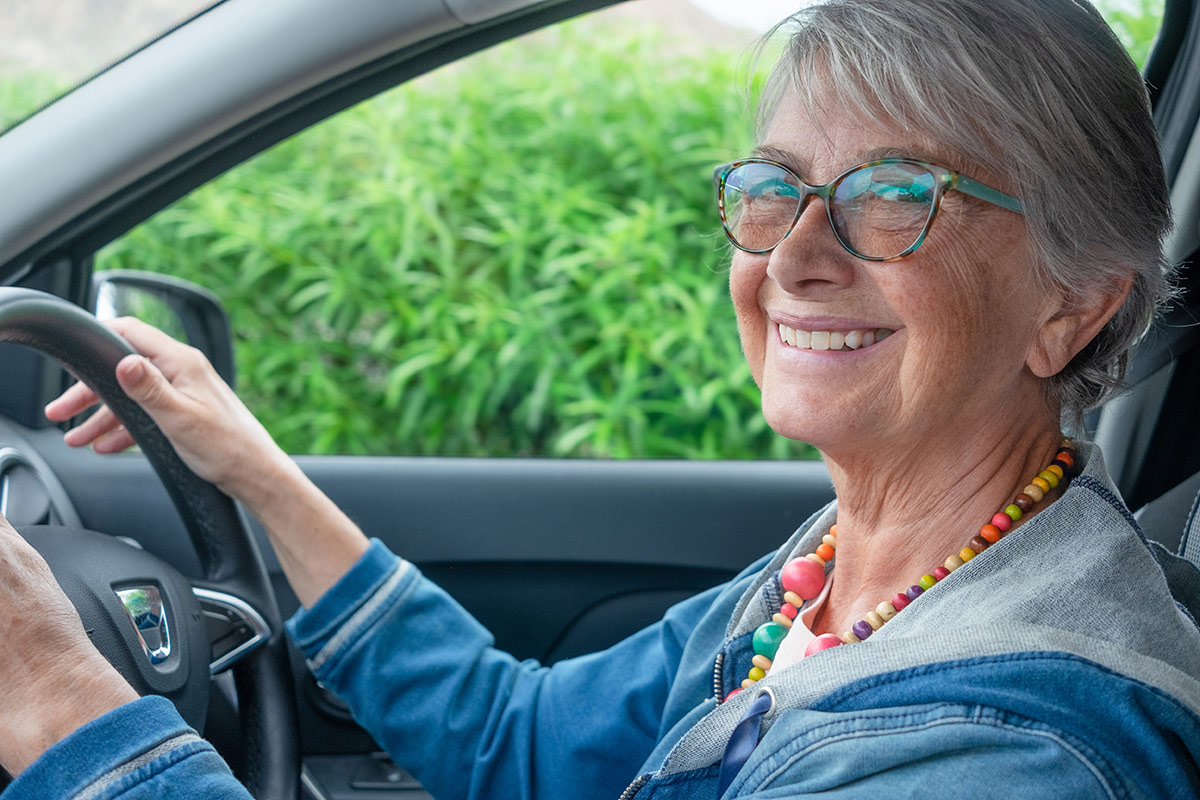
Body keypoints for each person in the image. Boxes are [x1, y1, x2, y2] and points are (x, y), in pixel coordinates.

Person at [1, 0, 1199, 797]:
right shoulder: (844, 574)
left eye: (894, 196)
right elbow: (520, 742)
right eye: (774, 189)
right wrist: (250, 463)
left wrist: (71, 705)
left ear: (1074, 302)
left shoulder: (1010, 749)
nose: (793, 257)